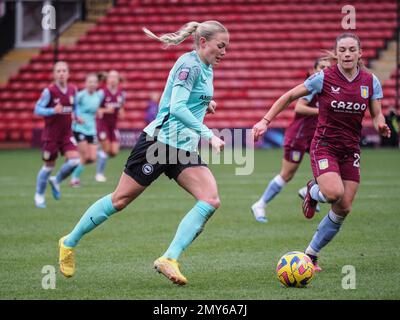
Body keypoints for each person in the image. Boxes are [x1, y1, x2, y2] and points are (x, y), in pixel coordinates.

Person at [58, 21, 228, 285]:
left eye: (226, 47)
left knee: (210, 199)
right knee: (119, 200)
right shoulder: (188, 64)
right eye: (221, 46)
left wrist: (207, 102)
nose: (224, 52)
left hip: (182, 147)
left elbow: (188, 100)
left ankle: (169, 258)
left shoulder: (205, 67)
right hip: (158, 143)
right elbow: (176, 107)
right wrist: (209, 135)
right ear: (203, 42)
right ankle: (68, 243)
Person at [252, 33, 390, 271]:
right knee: (334, 193)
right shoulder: (323, 78)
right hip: (325, 145)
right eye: (342, 50)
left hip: (351, 149)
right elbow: (289, 97)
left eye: (351, 50)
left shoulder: (370, 82)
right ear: (336, 54)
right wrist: (264, 121)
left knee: (344, 206)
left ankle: (311, 254)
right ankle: (312, 190)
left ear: (360, 53)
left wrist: (380, 123)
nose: (347, 54)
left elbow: (376, 112)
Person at [251, 58, 331, 223]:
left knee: (330, 164)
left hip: (314, 136)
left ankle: (309, 191)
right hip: (299, 136)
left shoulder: (328, 88)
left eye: (328, 68)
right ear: (313, 70)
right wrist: (321, 110)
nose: (324, 71)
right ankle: (260, 204)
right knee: (287, 174)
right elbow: (299, 107)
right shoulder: (312, 86)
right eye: (321, 67)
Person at [33, 61, 81, 208]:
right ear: (54, 74)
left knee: (75, 161)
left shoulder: (73, 89)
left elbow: (75, 107)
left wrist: (77, 116)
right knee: (49, 166)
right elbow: (37, 109)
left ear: (68, 73)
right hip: (51, 135)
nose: (61, 73)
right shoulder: (49, 91)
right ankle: (39, 195)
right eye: (58, 71)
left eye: (64, 71)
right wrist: (52, 110)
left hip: (67, 134)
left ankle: (57, 180)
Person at [70, 73, 103, 187]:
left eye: (94, 82)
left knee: (92, 158)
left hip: (91, 129)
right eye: (90, 82)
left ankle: (71, 164)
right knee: (84, 156)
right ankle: (74, 179)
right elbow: (72, 109)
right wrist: (76, 117)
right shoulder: (80, 96)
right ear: (85, 83)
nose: (92, 84)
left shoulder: (98, 96)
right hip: (79, 128)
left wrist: (99, 111)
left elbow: (96, 108)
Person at [95, 70, 126, 182]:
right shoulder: (101, 93)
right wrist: (104, 110)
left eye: (115, 77)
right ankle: (99, 174)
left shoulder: (121, 94)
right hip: (102, 125)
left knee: (114, 152)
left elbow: (121, 108)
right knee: (106, 149)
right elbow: (94, 109)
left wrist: (122, 111)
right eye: (111, 77)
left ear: (118, 80)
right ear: (107, 80)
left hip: (113, 126)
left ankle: (95, 150)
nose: (113, 79)